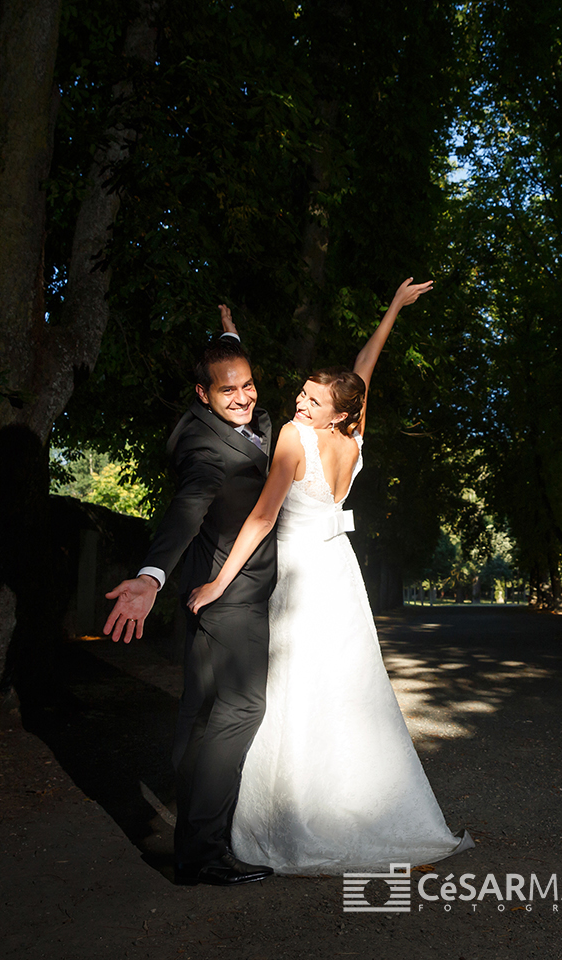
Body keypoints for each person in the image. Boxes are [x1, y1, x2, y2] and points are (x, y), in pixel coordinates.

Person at [185, 277, 473, 874]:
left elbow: (263, 517)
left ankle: (290, 819)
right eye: (303, 394)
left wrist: (217, 584)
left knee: (296, 689)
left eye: (314, 400)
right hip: (340, 571)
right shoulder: (353, 433)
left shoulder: (295, 438)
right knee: (344, 687)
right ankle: (353, 804)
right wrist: (393, 306)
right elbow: (366, 368)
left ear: (338, 410)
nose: (300, 403)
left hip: (298, 572)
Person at [101, 318, 277, 886]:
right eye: (228, 390)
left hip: (210, 596)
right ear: (202, 394)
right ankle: (203, 852)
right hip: (231, 595)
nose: (244, 397)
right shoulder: (204, 449)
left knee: (199, 714)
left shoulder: (237, 421)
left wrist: (231, 335)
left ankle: (190, 828)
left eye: (248, 384)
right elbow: (187, 509)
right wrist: (151, 577)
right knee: (242, 710)